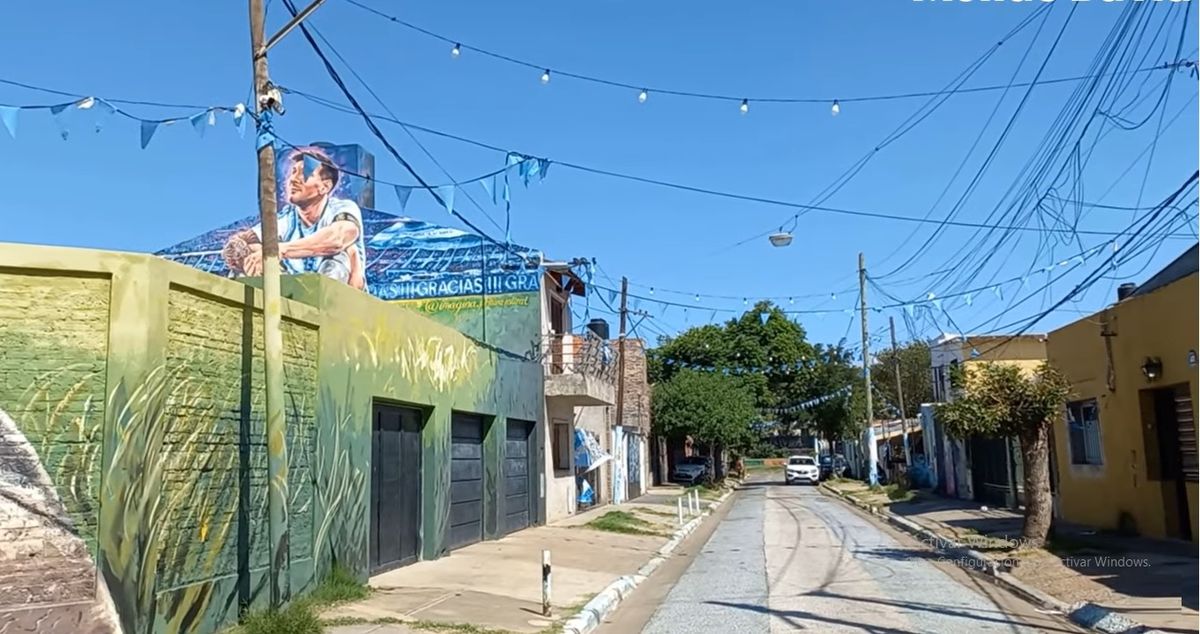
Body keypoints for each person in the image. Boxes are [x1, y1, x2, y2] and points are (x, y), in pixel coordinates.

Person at [222, 146, 367, 291]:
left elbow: (337, 239)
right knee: (252, 257)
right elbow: (243, 240)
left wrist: (279, 250)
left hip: (341, 302)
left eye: (304, 174)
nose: (293, 180)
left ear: (324, 187)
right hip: (297, 295)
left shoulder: (342, 208)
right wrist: (254, 252)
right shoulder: (286, 217)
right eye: (293, 173)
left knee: (340, 257)